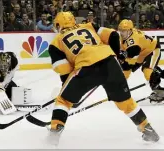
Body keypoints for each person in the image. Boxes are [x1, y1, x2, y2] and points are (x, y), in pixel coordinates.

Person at [47, 12, 159, 145]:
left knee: (63, 100)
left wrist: (71, 91)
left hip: (85, 68)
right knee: (125, 102)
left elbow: (63, 69)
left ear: (59, 25)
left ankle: (55, 130)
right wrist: (116, 55)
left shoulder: (55, 42)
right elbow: (113, 35)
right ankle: (147, 129)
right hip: (111, 63)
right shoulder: (89, 26)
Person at [117, 19, 164, 104]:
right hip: (143, 52)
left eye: (124, 31)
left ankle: (160, 92)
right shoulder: (125, 35)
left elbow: (134, 50)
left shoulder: (133, 40)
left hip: (152, 50)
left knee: (147, 71)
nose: (121, 33)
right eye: (120, 30)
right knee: (128, 68)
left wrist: (124, 56)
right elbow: (126, 58)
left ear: (130, 30)